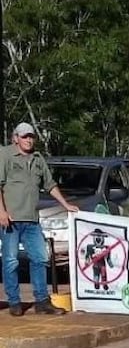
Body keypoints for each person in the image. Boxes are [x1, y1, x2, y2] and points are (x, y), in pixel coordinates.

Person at [0, 122, 79, 316]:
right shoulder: (6, 155)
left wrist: (66, 204)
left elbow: (50, 184)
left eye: (31, 136)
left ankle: (42, 301)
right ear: (15, 138)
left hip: (32, 219)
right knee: (11, 261)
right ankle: (14, 302)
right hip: (11, 219)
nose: (28, 140)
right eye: (24, 136)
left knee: (41, 258)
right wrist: (1, 212)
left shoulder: (37, 158)